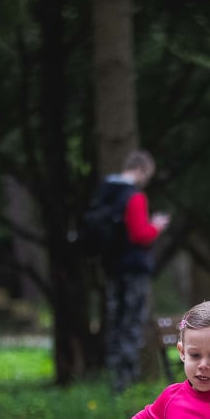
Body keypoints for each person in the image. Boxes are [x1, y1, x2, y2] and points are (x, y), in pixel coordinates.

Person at [90, 149, 170, 392]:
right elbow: (140, 234)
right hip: (134, 269)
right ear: (141, 170)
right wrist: (155, 227)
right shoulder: (134, 197)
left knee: (115, 318)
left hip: (111, 266)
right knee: (132, 320)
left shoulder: (105, 192)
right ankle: (125, 378)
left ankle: (112, 373)